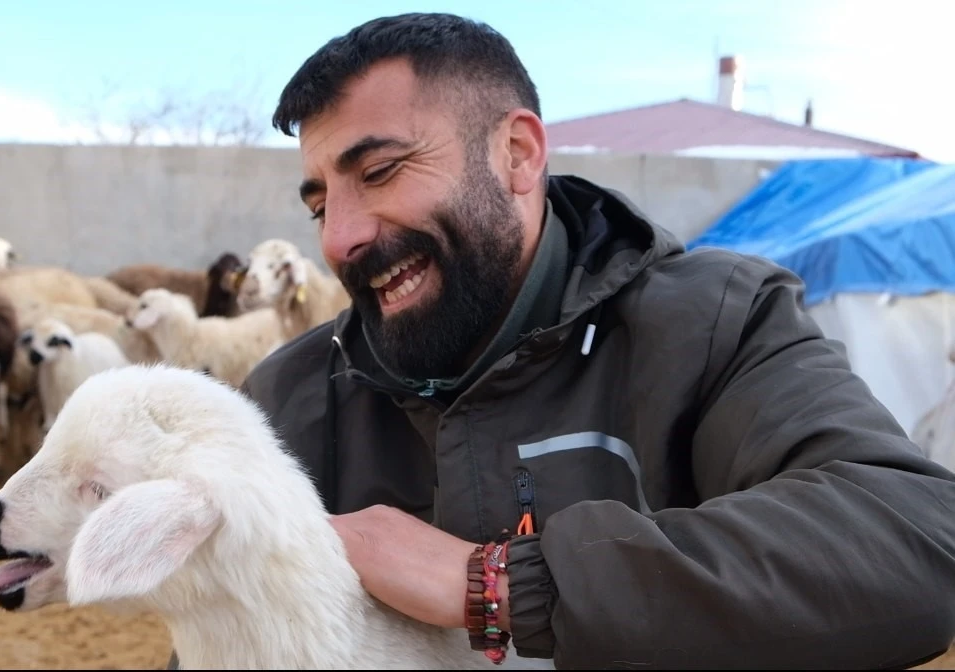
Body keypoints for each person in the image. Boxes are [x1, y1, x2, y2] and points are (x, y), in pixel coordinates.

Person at [169, 12, 955, 670]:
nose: (340, 239)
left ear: (516, 155)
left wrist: (499, 582)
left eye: (379, 172)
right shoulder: (290, 402)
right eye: (319, 205)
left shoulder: (718, 322)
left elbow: (914, 540)